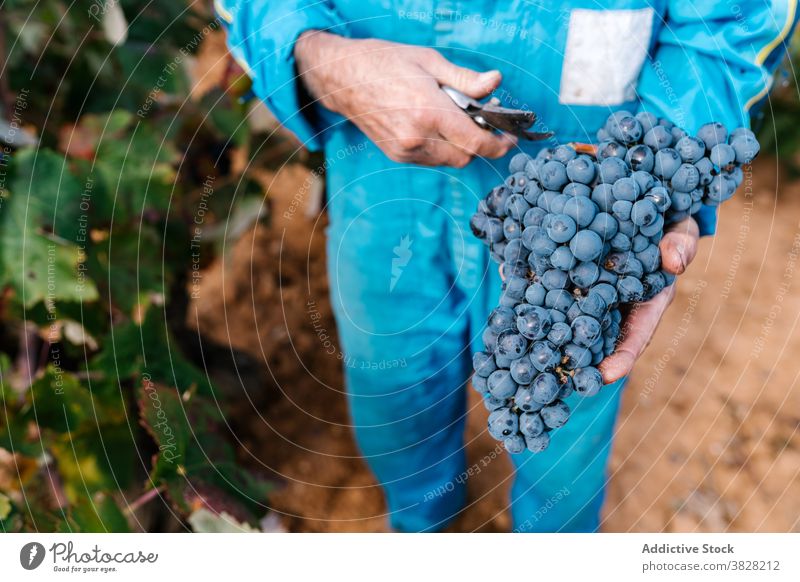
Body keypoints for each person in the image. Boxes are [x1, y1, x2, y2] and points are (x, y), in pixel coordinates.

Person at [215, 0, 797, 532]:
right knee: (392, 394)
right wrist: (318, 57)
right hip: (376, 157)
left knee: (564, 424)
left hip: (589, 179)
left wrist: (669, 176)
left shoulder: (604, 228)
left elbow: (735, 15)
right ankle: (421, 528)